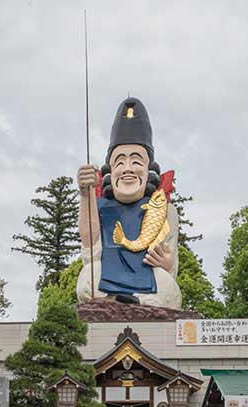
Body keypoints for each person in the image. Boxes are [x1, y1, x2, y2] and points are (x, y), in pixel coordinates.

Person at [76, 97, 182, 309]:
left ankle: (134, 302)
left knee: (167, 285)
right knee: (88, 277)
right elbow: (90, 250)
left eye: (136, 161)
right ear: (110, 171)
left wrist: (167, 262)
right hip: (108, 274)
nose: (127, 169)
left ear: (148, 169)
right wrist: (86, 195)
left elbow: (170, 263)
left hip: (147, 279)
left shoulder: (163, 208)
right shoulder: (99, 206)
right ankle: (116, 300)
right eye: (120, 162)